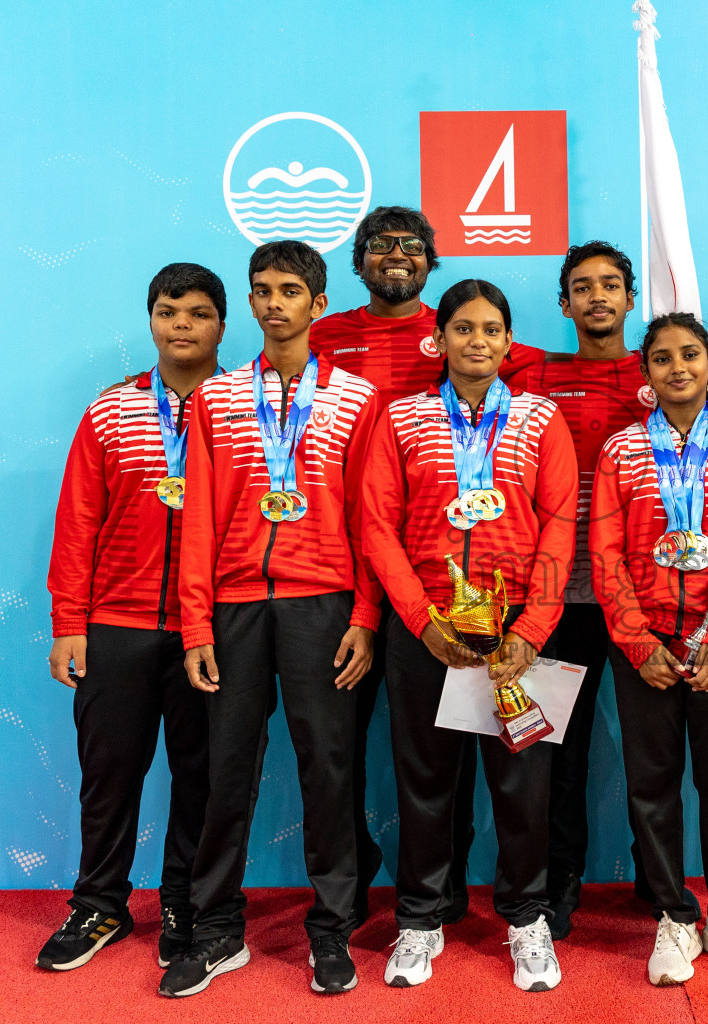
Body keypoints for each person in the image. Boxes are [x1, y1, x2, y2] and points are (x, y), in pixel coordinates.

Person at [159, 240, 381, 998]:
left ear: (319, 304)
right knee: (226, 771)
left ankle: (332, 927)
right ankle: (217, 928)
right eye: (262, 290)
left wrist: (365, 615)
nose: (274, 302)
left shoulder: (357, 399)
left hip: (325, 604)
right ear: (250, 302)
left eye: (290, 290)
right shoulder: (218, 400)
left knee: (329, 768)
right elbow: (198, 521)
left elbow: (369, 519)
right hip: (235, 608)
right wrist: (196, 625)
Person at [362, 279, 576, 992]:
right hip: (428, 631)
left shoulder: (541, 419)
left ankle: (526, 918)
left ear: (509, 342)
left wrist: (534, 629)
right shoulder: (402, 418)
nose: (477, 340)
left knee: (523, 785)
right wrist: (421, 622)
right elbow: (378, 527)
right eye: (462, 328)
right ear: (439, 339)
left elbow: (560, 527)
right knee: (424, 783)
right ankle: (420, 920)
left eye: (490, 329)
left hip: (516, 634)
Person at [37, 263, 225, 972]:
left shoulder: (245, 410)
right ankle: (100, 905)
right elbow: (78, 521)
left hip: (211, 629)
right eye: (168, 311)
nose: (182, 325)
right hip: (116, 625)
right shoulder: (110, 412)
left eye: (198, 313)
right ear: (150, 321)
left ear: (222, 325)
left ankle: (184, 901)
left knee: (201, 775)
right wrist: (69, 621)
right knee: (109, 774)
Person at [590, 312, 708, 986]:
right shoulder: (620, 451)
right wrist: (635, 641)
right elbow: (605, 554)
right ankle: (673, 916)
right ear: (646, 371)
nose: (678, 368)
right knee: (652, 787)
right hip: (646, 650)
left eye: (690, 355)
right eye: (663, 358)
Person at [307, 206, 476, 924]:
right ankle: (347, 881)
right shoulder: (323, 336)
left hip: (427, 574)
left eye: (412, 245)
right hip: (337, 569)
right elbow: (258, 391)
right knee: (336, 745)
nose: (397, 255)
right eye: (381, 245)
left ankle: (445, 889)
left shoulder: (457, 329)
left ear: (431, 262)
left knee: (445, 747)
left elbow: (527, 372)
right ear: (359, 261)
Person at [502, 240, 656, 937]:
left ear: (630, 299)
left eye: (611, 285)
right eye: (583, 287)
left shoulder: (662, 368)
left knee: (653, 745)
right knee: (555, 749)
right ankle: (559, 879)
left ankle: (659, 880)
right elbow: (451, 336)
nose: (598, 296)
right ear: (564, 305)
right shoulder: (534, 373)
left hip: (640, 596)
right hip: (556, 596)